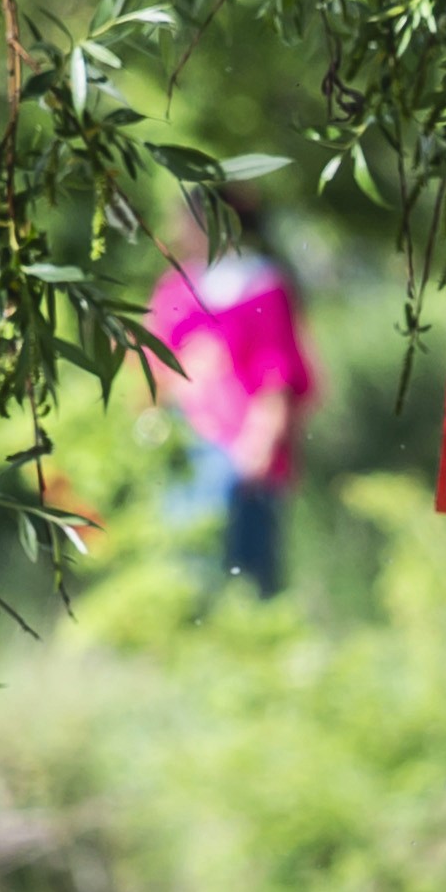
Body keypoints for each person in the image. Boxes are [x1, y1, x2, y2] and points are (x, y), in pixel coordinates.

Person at [144, 188, 319, 599]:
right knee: (189, 570)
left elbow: (276, 377)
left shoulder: (259, 285)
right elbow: (155, 364)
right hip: (187, 442)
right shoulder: (176, 288)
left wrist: (259, 444)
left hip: (241, 446)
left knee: (248, 572)